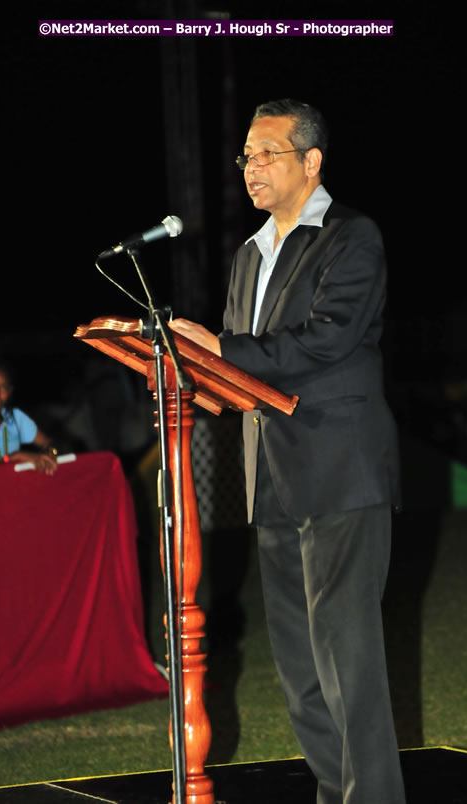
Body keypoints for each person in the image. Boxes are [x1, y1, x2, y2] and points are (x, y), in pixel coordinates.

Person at [170, 99, 406, 803]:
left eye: (267, 153)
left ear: (312, 161)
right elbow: (243, 367)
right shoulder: (249, 254)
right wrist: (194, 370)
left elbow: (328, 339)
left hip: (340, 474)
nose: (251, 168)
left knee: (349, 668)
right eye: (245, 156)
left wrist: (226, 350)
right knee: (300, 674)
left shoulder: (351, 238)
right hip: (271, 482)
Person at [0, 361, 58, 474]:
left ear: (10, 391)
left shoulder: (15, 417)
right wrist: (14, 457)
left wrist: (50, 455)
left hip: (14, 487)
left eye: (3, 387)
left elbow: (50, 444)